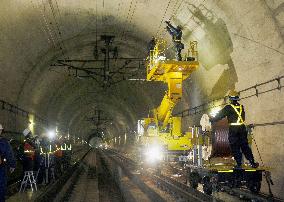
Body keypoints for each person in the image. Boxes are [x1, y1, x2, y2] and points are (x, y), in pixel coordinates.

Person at [210, 90, 259, 169]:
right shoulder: (241, 107)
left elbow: (219, 116)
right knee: (245, 146)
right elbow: (243, 118)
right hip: (242, 128)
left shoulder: (228, 107)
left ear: (230, 99)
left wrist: (212, 120)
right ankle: (252, 162)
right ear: (237, 98)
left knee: (235, 146)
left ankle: (239, 164)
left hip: (234, 129)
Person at [0, 124, 16, 202]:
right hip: (1, 169)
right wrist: (12, 165)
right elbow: (9, 154)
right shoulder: (4, 142)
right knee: (1, 188)